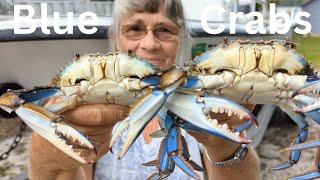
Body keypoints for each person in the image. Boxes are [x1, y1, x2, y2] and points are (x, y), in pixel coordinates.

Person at [28, 0, 260, 179]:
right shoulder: (92, 105)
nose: (149, 44)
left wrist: (226, 144)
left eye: (164, 30)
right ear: (116, 37)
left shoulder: (200, 102)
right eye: (134, 29)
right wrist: (48, 157)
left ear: (180, 39)